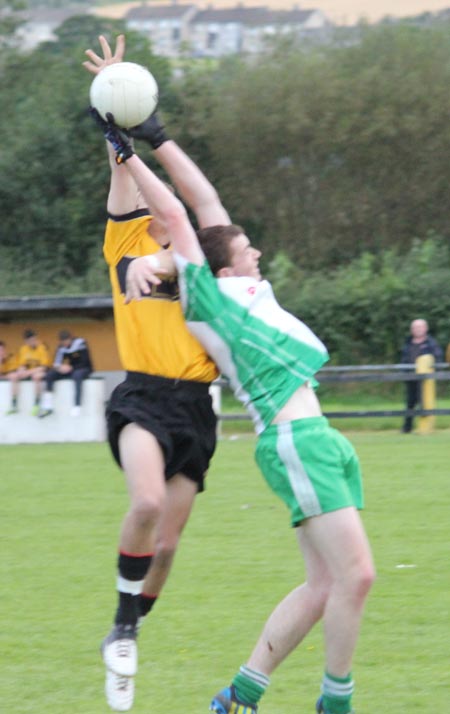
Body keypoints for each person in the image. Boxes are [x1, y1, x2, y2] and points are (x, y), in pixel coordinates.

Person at [95, 118, 376, 714]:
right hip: (295, 438)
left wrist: (156, 132)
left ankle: (240, 695)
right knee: (358, 577)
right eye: (247, 250)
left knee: (327, 584)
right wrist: (127, 156)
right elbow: (176, 218)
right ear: (222, 269)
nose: (256, 252)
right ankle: (337, 703)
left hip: (317, 435)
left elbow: (203, 200)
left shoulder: (245, 287)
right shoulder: (212, 296)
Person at [84, 35, 231, 712]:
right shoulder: (128, 241)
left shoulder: (201, 256)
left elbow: (184, 207)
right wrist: (115, 111)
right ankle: (119, 625)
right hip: (141, 395)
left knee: (167, 547)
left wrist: (132, 135)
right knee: (144, 506)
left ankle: (131, 631)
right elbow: (124, 183)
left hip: (196, 407)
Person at [400, 318, 443, 433]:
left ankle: (425, 427)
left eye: (420, 327)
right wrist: (404, 374)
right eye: (415, 327)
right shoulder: (408, 343)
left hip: (425, 380)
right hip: (411, 378)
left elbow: (437, 358)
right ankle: (406, 428)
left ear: (425, 328)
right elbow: (404, 360)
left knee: (425, 403)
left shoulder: (431, 343)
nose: (417, 330)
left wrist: (436, 371)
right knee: (410, 403)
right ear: (411, 330)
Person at [38, 329, 93, 418]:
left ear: (70, 339)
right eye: (63, 342)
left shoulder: (80, 343)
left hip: (84, 368)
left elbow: (85, 361)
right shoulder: (61, 347)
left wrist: (71, 367)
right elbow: (56, 362)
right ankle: (48, 405)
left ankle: (77, 405)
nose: (65, 344)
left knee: (77, 375)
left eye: (66, 341)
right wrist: (60, 368)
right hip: (70, 369)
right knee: (50, 374)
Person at [6, 328, 51, 415]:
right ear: (26, 341)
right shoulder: (24, 349)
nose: (32, 342)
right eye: (29, 341)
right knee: (13, 376)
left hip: (42, 370)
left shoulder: (42, 347)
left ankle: (36, 403)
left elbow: (44, 367)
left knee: (36, 376)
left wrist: (28, 372)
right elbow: (22, 364)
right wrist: (21, 370)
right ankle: (14, 404)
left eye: (34, 339)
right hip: (29, 371)